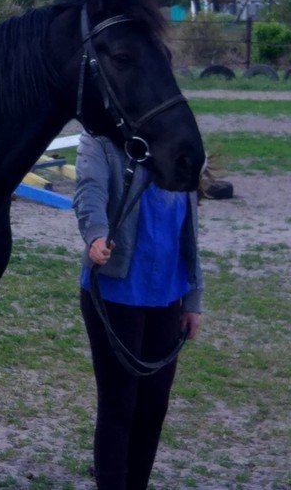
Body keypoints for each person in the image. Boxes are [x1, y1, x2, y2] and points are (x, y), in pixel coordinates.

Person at [73, 132, 204, 490]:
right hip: (115, 293)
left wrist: (193, 298)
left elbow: (190, 226)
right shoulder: (100, 142)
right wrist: (96, 235)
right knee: (119, 403)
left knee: (153, 405)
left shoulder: (177, 140)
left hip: (168, 295)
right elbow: (89, 192)